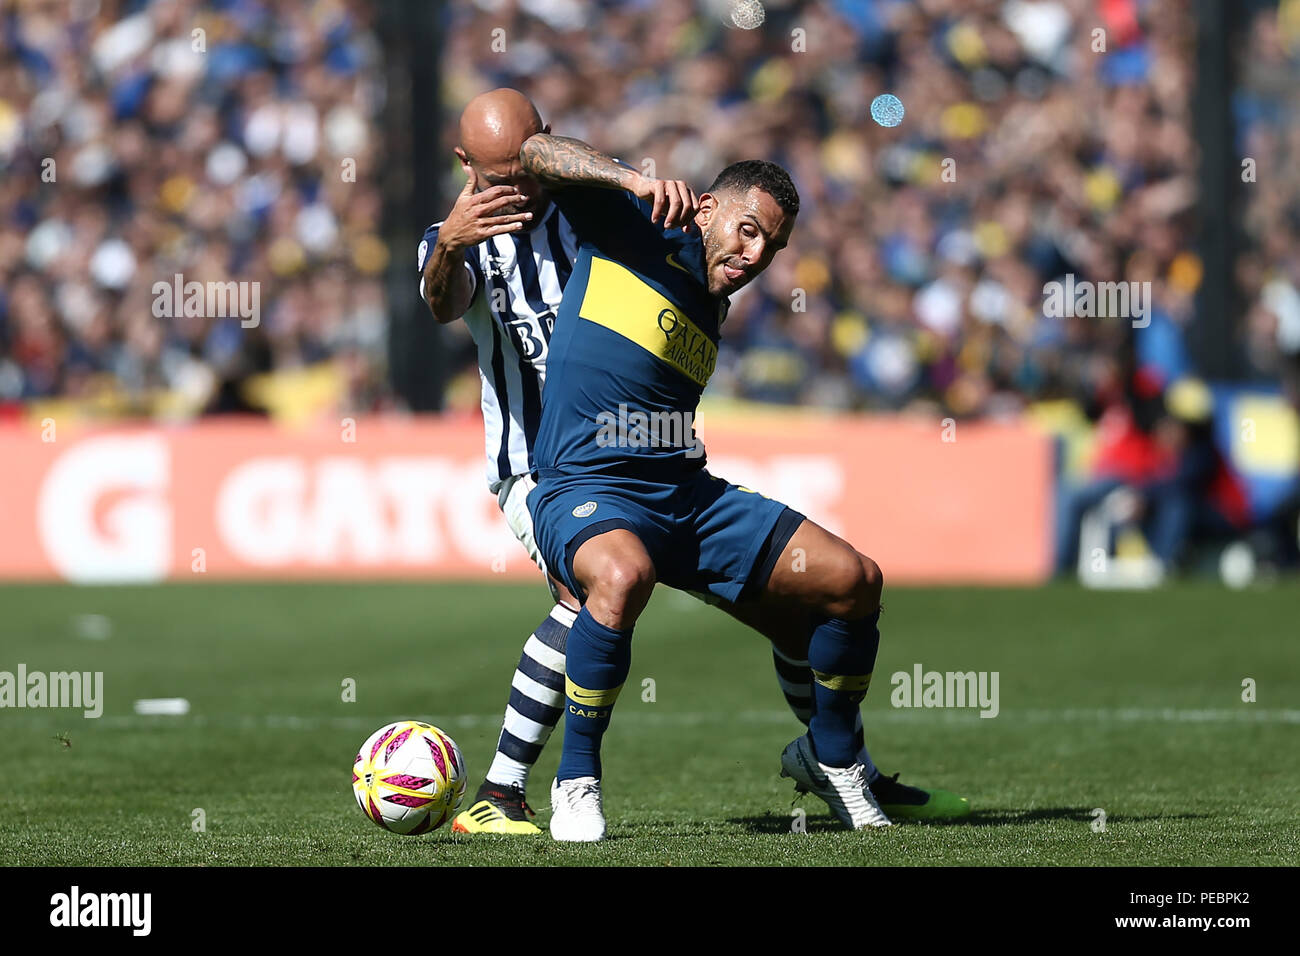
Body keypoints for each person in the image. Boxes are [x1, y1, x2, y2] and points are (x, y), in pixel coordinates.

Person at [421, 90, 968, 836]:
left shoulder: (698, 280)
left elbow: (549, 164)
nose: (755, 256)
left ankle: (838, 761)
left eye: (769, 248)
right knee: (603, 586)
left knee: (836, 591)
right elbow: (463, 269)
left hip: (679, 489)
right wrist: (627, 182)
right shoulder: (612, 222)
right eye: (746, 232)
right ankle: (532, 786)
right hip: (559, 472)